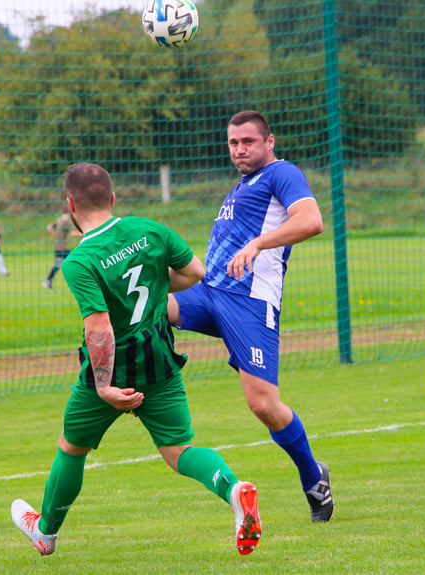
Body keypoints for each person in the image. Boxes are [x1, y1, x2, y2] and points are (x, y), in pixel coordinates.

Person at [11, 162, 262, 556]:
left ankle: (46, 531)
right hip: (159, 358)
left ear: (70, 205)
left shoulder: (80, 260)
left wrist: (105, 385)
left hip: (114, 366)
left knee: (72, 446)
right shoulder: (150, 229)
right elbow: (195, 271)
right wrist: (156, 286)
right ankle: (234, 490)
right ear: (112, 198)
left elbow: (99, 327)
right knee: (179, 451)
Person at [167, 110, 333, 523]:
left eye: (248, 142)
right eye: (233, 143)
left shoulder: (281, 173)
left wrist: (258, 244)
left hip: (250, 304)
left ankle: (314, 479)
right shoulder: (239, 188)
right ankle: (147, 390)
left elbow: (312, 221)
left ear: (269, 142)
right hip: (209, 293)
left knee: (262, 404)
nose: (239, 149)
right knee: (151, 307)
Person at [42, 205, 82, 289]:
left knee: (58, 265)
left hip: (58, 247)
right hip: (63, 248)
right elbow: (72, 234)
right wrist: (83, 234)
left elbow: (49, 227)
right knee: (76, 261)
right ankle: (78, 282)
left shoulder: (59, 220)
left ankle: (48, 281)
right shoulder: (67, 221)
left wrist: (55, 235)